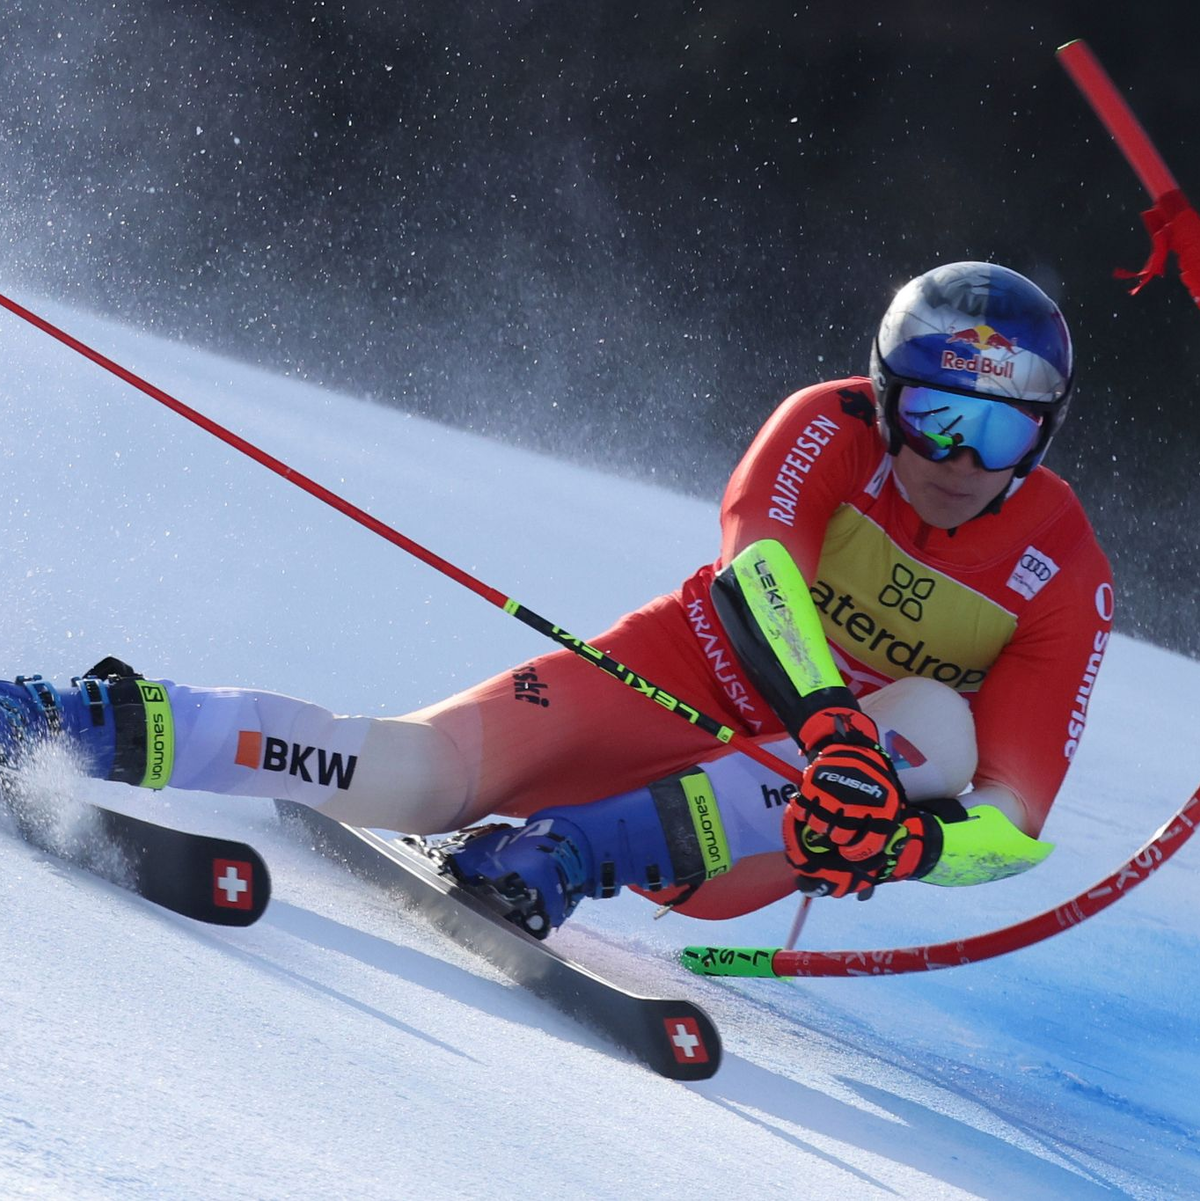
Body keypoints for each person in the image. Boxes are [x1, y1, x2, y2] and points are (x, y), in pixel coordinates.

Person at [0, 262, 1112, 938]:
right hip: (671, 677)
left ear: (1045, 436)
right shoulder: (826, 425)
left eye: (1003, 431)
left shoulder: (1062, 566)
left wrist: (903, 848)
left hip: (764, 831)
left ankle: (577, 852)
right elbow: (759, 570)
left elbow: (1014, 827)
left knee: (937, 727)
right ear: (883, 394)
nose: (961, 457)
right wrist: (828, 718)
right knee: (410, 772)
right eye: (935, 415)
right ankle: (77, 718)